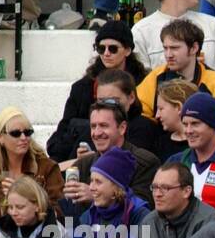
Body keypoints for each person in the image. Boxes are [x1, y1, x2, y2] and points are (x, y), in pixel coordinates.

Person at [48, 22, 150, 162]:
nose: (106, 53)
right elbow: (59, 137)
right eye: (101, 48)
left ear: (127, 50)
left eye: (113, 48)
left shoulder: (144, 83)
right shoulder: (82, 88)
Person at [138, 20, 215, 146]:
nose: (168, 55)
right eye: (165, 48)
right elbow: (140, 113)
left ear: (194, 48)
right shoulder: (156, 77)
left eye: (174, 48)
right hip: (163, 146)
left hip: (205, 146)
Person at [0, 108, 63, 230]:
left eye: (28, 132)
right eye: (16, 133)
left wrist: (23, 194)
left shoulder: (46, 167)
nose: (23, 137)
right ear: (0, 138)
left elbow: (59, 212)